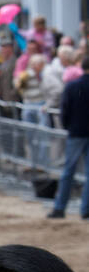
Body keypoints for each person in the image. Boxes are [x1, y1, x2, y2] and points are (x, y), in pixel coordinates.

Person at [47, 54, 89, 220]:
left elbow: (65, 109)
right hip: (82, 131)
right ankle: (85, 209)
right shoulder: (73, 87)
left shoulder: (72, 86)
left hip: (76, 132)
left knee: (68, 171)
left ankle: (60, 208)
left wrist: (68, 126)